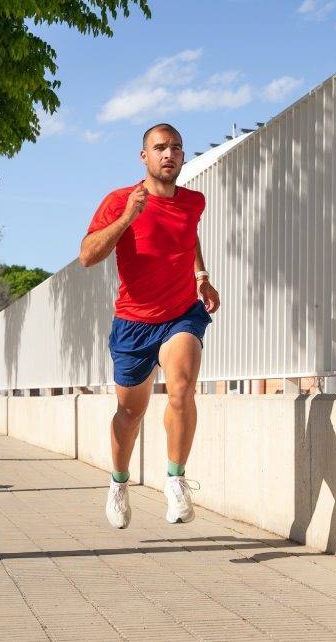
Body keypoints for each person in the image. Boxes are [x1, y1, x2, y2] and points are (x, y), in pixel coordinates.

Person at [79, 122, 220, 527]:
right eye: (160, 147)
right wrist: (126, 218)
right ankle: (119, 483)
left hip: (181, 313)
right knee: (130, 412)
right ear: (144, 156)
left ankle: (175, 480)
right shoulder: (120, 200)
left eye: (176, 147)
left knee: (182, 387)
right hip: (133, 323)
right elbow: (88, 255)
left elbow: (188, 237)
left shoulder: (193, 202)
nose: (169, 154)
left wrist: (202, 277)